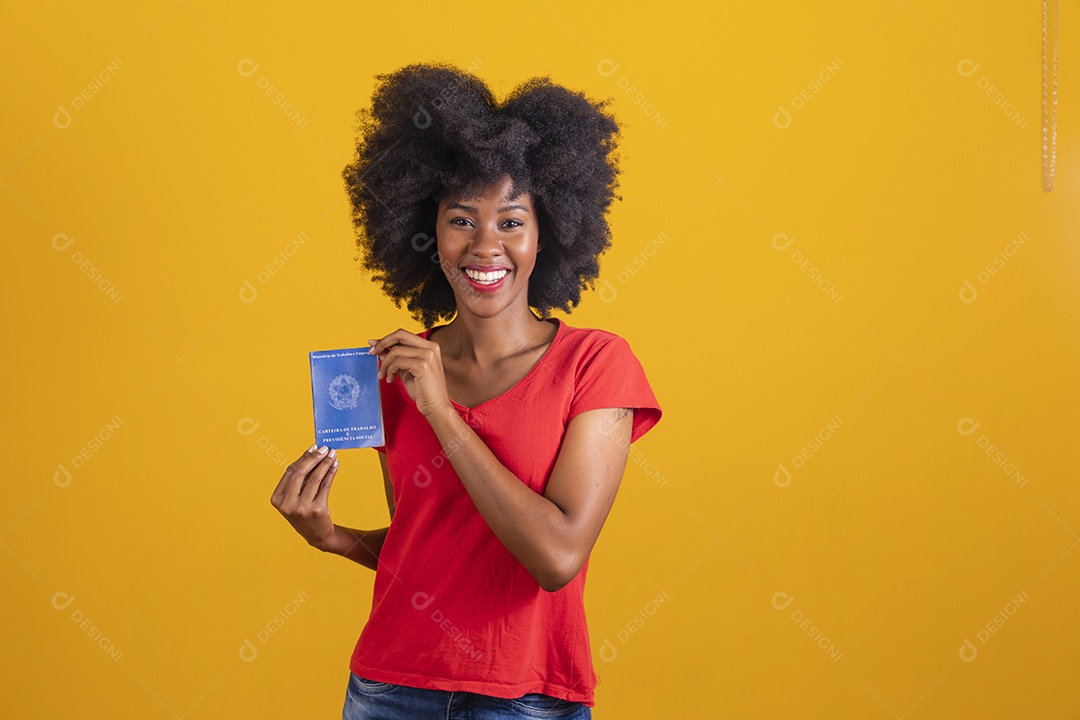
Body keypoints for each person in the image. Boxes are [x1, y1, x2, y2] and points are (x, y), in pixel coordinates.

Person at [270, 62, 662, 719]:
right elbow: (429, 546)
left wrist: (442, 413)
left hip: (528, 697)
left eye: (511, 221)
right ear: (428, 234)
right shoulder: (398, 371)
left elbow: (557, 558)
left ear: (549, 234)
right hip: (389, 690)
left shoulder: (596, 364)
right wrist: (331, 536)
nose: (486, 245)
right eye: (461, 220)